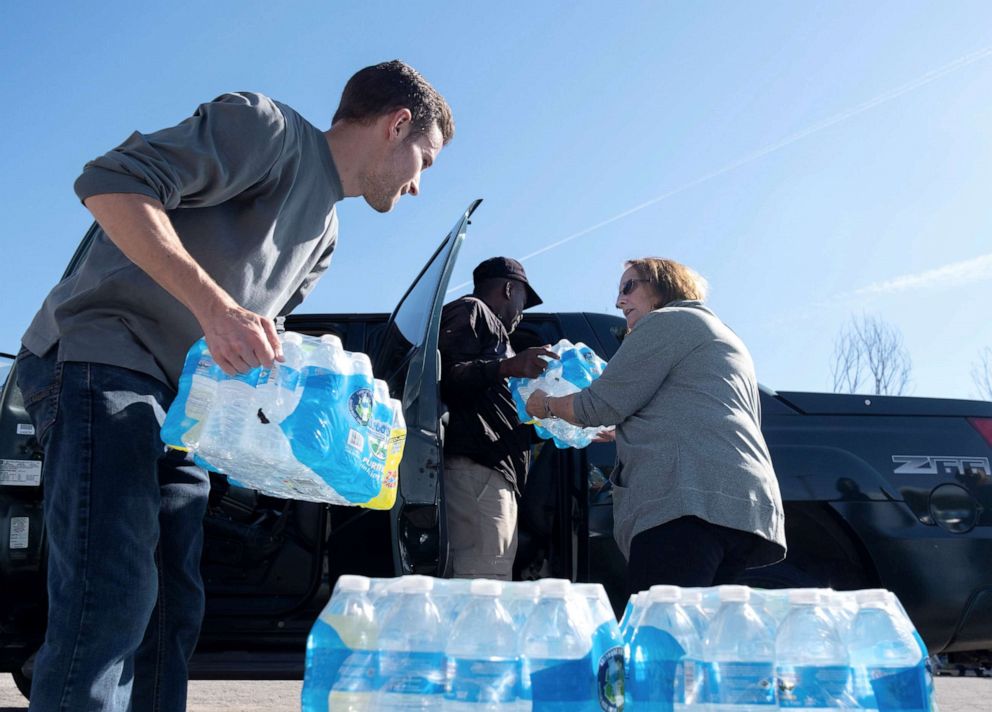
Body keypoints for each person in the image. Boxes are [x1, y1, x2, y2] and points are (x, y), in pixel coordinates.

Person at [15, 60, 453, 711]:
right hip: (99, 360)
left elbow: (243, 359)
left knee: (172, 608)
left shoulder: (325, 237)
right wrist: (215, 307)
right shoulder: (265, 129)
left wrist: (310, 442)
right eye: (427, 158)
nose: (420, 185)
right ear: (398, 124)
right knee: (112, 595)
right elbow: (108, 183)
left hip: (177, 410)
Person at [525, 258, 786, 594]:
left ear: (661, 285)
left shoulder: (666, 321)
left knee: (660, 631)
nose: (619, 301)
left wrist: (544, 405)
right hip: (739, 512)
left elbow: (596, 405)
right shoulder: (722, 335)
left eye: (629, 287)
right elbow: (701, 408)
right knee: (698, 635)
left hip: (686, 508)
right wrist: (626, 431)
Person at [439, 257, 557, 580]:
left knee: (488, 582)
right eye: (523, 300)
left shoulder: (497, 336)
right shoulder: (472, 311)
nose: (522, 312)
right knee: (482, 590)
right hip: (477, 474)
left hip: (491, 476)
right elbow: (445, 376)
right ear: (508, 289)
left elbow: (491, 408)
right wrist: (508, 366)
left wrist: (552, 423)